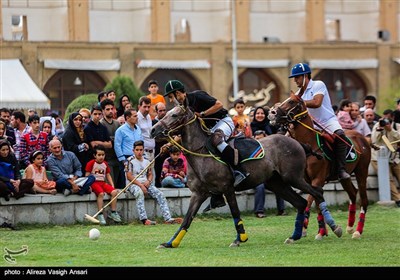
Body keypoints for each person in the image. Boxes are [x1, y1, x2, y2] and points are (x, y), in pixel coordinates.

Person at [164, 80, 249, 188]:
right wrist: (168, 145)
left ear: (178, 93)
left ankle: (240, 171)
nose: (171, 100)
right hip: (209, 130)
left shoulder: (198, 95)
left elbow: (219, 104)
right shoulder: (183, 108)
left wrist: (202, 114)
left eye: (171, 97)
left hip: (223, 122)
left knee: (216, 140)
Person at [288, 62, 350, 180]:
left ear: (305, 76)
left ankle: (341, 170)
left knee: (340, 136)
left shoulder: (318, 84)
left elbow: (317, 103)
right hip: (311, 126)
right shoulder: (297, 94)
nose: (295, 80)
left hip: (327, 122)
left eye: (297, 77)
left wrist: (299, 103)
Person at [125, 140, 183, 225]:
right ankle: (144, 219)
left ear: (143, 150)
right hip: (133, 184)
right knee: (139, 193)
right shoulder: (130, 160)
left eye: (141, 150)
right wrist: (141, 185)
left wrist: (148, 181)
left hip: (146, 183)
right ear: (133, 150)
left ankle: (167, 218)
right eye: (137, 150)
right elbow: (129, 176)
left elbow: (150, 174)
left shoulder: (147, 161)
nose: (139, 152)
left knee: (160, 194)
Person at [85, 145, 122, 225]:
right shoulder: (91, 163)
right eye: (99, 155)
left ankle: (113, 212)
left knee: (114, 192)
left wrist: (112, 186)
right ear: (95, 155)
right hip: (94, 182)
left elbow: (108, 175)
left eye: (103, 155)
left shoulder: (105, 164)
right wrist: (88, 186)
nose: (101, 157)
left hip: (103, 183)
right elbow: (87, 175)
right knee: (101, 193)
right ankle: (100, 214)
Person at [370, 109, 400, 207]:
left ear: (393, 117)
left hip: (394, 157)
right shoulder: (377, 126)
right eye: (383, 118)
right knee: (388, 177)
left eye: (387, 118)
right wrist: (380, 130)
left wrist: (391, 130)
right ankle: (398, 199)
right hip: (378, 157)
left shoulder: (397, 126)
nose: (385, 120)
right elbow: (374, 141)